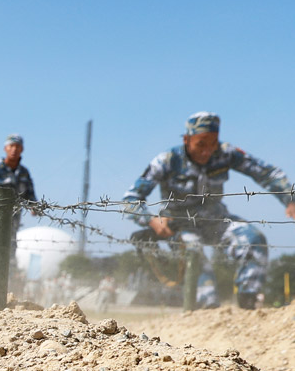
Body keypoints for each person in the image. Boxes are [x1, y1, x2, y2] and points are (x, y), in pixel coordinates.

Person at [123, 112, 294, 309]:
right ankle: (207, 311)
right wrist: (151, 220)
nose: (207, 151)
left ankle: (249, 303)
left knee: (253, 239)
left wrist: (289, 198)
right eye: (201, 144)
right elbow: (131, 199)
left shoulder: (226, 153)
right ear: (187, 140)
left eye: (213, 143)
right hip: (181, 227)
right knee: (195, 257)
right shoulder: (167, 161)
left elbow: (266, 172)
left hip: (217, 221)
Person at [0, 134, 38, 268]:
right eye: (11, 146)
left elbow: (30, 193)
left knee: (10, 250)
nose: (14, 149)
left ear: (22, 149)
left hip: (14, 220)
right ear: (5, 148)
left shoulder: (24, 173)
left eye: (17, 147)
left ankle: (8, 281)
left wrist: (34, 207)